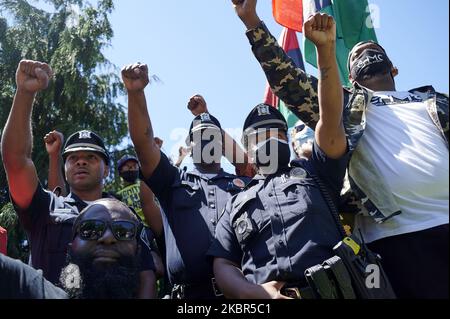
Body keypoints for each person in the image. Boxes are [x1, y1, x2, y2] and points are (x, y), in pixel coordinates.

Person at [232, 0, 449, 298]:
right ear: (350, 81)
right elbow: (288, 82)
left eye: (371, 50)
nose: (363, 51)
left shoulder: (435, 101)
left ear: (393, 67)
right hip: (394, 241)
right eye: (355, 55)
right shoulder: (347, 107)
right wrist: (252, 23)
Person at [208, 12, 349, 299]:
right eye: (260, 136)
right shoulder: (235, 204)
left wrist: (325, 53)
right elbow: (223, 263)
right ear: (247, 147)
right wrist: (258, 295)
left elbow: (331, 118)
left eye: (278, 132)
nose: (271, 139)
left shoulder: (317, 172)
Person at [1, 60, 156, 299]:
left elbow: (146, 275)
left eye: (91, 157)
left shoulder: (126, 216)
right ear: (64, 169)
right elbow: (16, 160)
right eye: (73, 158)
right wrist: (24, 93)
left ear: (106, 170)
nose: (81, 162)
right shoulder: (46, 207)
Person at [122, 63, 250, 299]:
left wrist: (207, 116)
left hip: (243, 295)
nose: (207, 140)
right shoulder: (172, 181)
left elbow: (248, 164)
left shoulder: (242, 186)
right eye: (200, 136)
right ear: (190, 147)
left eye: (213, 136)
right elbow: (144, 145)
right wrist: (136, 93)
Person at [0, 198, 144, 299]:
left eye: (124, 231)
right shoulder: (31, 289)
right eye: (90, 228)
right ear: (71, 249)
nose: (107, 237)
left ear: (138, 251)